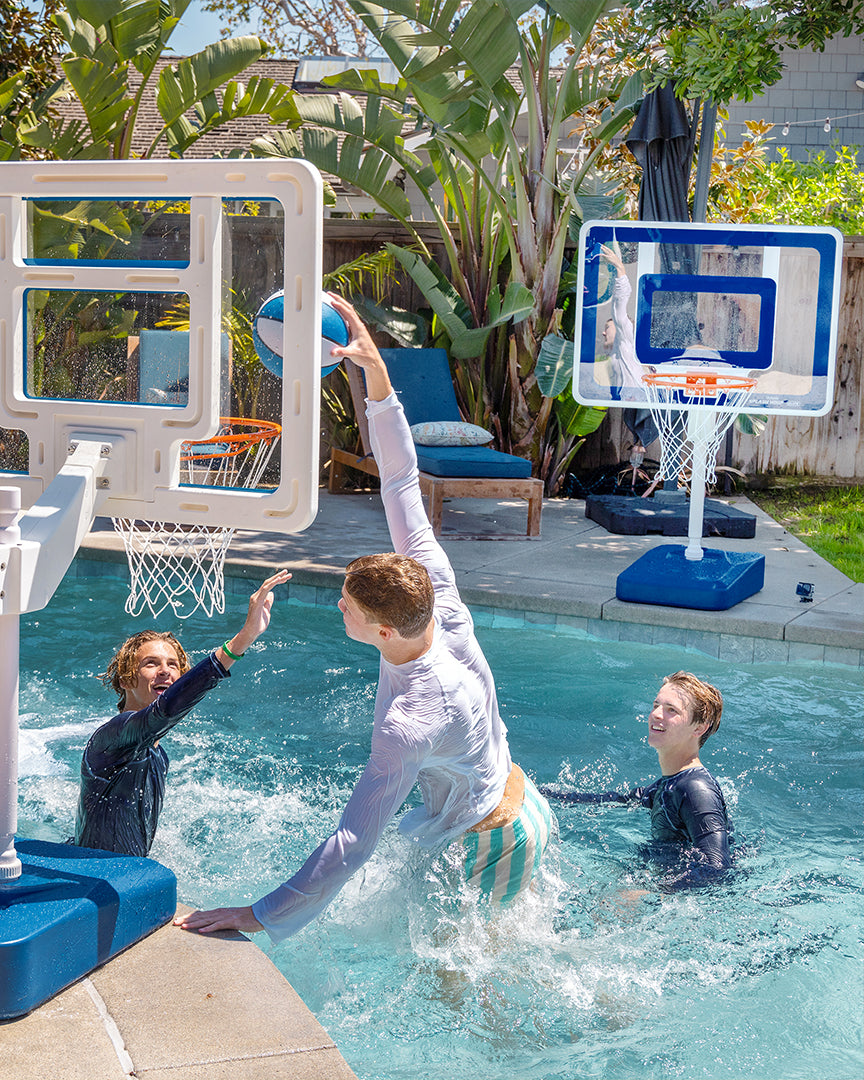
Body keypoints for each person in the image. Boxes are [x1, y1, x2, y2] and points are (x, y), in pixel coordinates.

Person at [174, 294, 555, 943]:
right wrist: (375, 374)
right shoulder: (436, 591)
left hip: (494, 837)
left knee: (463, 980)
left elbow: (352, 841)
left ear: (384, 630)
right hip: (514, 798)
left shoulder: (409, 721)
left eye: (348, 604)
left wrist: (256, 913)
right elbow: (401, 479)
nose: (339, 605)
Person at [76, 569, 291, 857]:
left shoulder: (158, 754)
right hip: (92, 875)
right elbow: (164, 712)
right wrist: (244, 637)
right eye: (151, 663)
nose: (165, 670)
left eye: (173, 665)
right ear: (126, 679)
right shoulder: (113, 737)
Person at [541, 671, 731, 887]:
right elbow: (610, 800)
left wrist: (648, 892)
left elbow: (717, 871)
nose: (656, 715)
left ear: (699, 728)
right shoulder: (667, 786)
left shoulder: (696, 789)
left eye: (671, 710)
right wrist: (541, 792)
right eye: (656, 705)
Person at [600, 244, 658, 479]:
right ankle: (639, 444)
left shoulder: (625, 341)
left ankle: (641, 442)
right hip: (635, 402)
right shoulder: (614, 356)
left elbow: (620, 311)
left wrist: (621, 271)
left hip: (648, 399)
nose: (604, 333)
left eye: (607, 327)